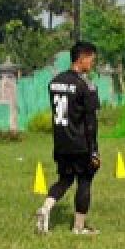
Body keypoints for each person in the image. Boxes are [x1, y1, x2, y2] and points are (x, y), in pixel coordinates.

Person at [36, 41, 101, 236]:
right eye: (91, 59)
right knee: (85, 181)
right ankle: (79, 227)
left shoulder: (54, 81)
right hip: (80, 142)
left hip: (61, 141)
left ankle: (46, 209)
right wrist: (94, 150)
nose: (92, 64)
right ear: (82, 59)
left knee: (64, 179)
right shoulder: (86, 85)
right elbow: (91, 121)